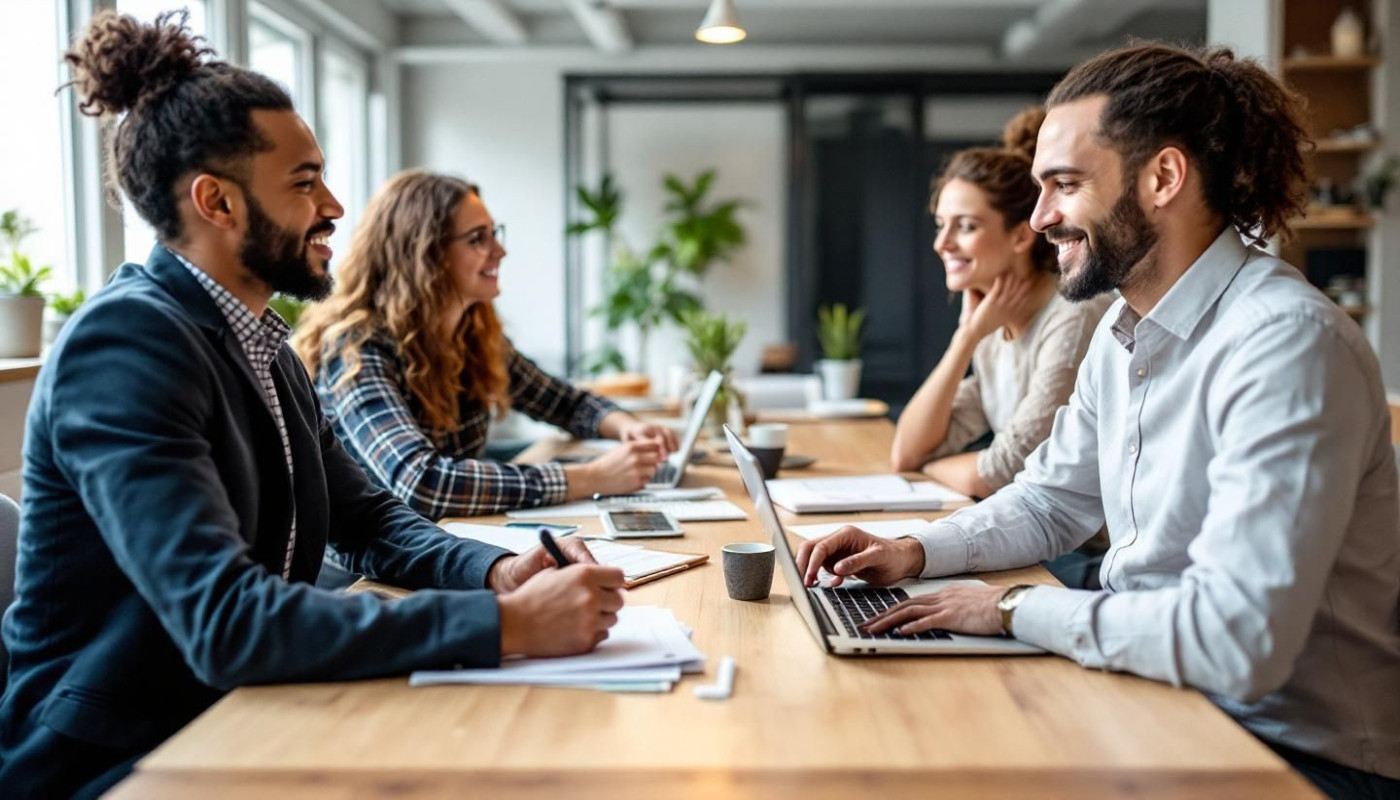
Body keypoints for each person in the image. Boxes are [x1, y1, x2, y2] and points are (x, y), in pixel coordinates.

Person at [0, 13, 624, 797]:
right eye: (304, 182)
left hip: (239, 711)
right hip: (122, 756)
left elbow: (366, 518)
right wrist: (509, 627)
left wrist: (499, 572)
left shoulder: (259, 335)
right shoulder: (125, 343)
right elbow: (226, 621)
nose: (333, 205)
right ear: (216, 202)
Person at [798, 43, 1400, 798]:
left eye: (1065, 184)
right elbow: (1051, 500)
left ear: (1164, 178)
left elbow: (1237, 643)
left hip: (1294, 756)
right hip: (1157, 696)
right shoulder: (1123, 330)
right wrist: (914, 551)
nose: (1043, 216)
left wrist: (1014, 607)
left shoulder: (1284, 343)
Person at [292, 170, 678, 519]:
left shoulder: (472, 334)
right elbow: (421, 484)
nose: (500, 251)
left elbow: (564, 402)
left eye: (495, 233)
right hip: (367, 574)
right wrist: (591, 477)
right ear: (425, 255)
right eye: (478, 239)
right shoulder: (357, 349)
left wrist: (626, 426)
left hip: (453, 543)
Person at [891, 108, 1111, 499]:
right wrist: (967, 337)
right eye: (942, 224)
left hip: (1082, 554)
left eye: (967, 226)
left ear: (1021, 236)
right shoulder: (993, 327)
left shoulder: (1074, 316)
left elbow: (997, 473)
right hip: (1038, 539)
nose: (942, 244)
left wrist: (930, 467)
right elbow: (906, 451)